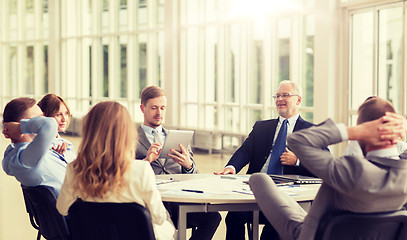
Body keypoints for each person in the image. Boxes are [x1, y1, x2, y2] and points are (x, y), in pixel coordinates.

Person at [249, 97, 407, 240]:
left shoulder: (351, 170)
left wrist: (356, 131)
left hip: (311, 236)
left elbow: (297, 140)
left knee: (259, 178)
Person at [214, 80, 321, 240]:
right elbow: (245, 151)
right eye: (277, 96)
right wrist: (232, 166)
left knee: (275, 227)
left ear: (298, 100)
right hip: (255, 191)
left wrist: (298, 161)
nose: (279, 99)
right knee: (233, 217)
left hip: (287, 196)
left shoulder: (311, 131)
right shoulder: (262, 127)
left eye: (285, 95)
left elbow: (323, 164)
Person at [56, 101, 175, 240]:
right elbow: (159, 217)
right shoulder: (141, 170)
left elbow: (62, 209)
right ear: (127, 133)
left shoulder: (74, 168)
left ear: (89, 131)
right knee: (168, 227)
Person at [135, 86, 221, 240]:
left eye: (162, 108)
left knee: (213, 217)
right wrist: (147, 161)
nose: (159, 113)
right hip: (152, 202)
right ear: (142, 108)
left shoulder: (178, 138)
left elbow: (195, 176)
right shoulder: (130, 139)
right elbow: (126, 171)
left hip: (178, 201)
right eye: (154, 108)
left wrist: (188, 165)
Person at [2, 97, 65, 197]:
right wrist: (19, 128)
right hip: (83, 206)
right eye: (38, 118)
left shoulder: (27, 154)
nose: (45, 119)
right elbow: (50, 125)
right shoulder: (23, 160)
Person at [38, 93, 76, 163]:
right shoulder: (38, 145)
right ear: (44, 116)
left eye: (66, 113)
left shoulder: (68, 145)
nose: (64, 119)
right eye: (58, 115)